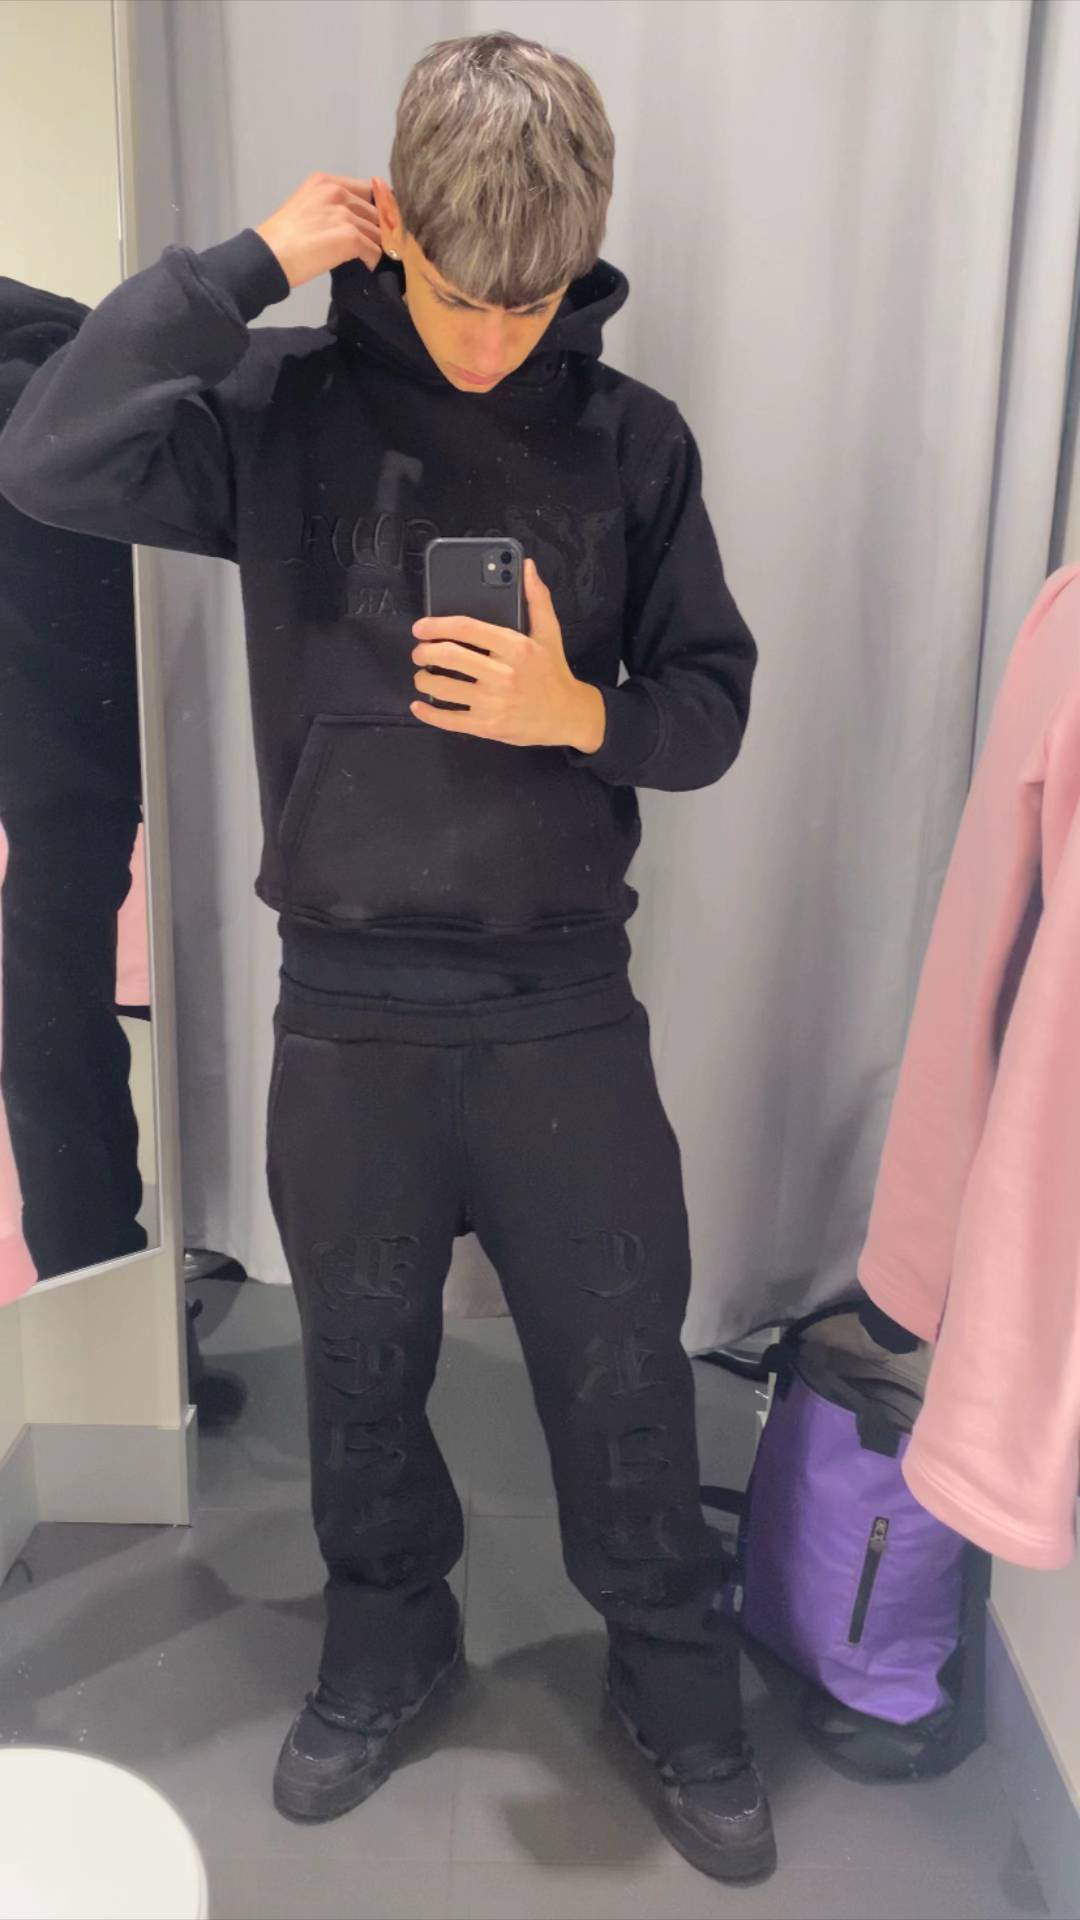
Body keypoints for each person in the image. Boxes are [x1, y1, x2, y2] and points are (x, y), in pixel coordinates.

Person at [0, 31, 770, 1883]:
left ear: (578, 264)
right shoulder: (276, 410)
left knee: (620, 1368)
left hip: (562, 1001)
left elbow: (711, 707)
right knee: (356, 1370)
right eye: (456, 293)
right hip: (346, 1008)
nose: (493, 342)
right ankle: (385, 1639)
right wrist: (246, 265)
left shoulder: (634, 441)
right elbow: (48, 455)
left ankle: (675, 1674)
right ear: (392, 233)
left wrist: (577, 710)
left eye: (531, 304)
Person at [0, 279, 146, 1279]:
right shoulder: (78, 357)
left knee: (54, 1003)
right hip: (91, 725)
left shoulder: (66, 357)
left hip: (55, 740)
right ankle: (96, 1271)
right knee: (60, 999)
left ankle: (90, 1269)